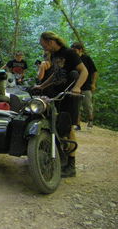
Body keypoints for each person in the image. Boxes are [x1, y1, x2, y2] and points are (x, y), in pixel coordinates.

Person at [36, 31, 88, 178]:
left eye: (43, 44)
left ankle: (71, 165)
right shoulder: (54, 55)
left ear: (51, 41)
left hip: (70, 96)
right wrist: (42, 86)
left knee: (68, 128)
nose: (43, 47)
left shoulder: (70, 53)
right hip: (58, 95)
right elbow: (56, 74)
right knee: (56, 125)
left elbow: (84, 71)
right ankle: (61, 158)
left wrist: (77, 87)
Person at [71, 42, 98, 129]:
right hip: (75, 86)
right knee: (76, 106)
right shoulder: (73, 59)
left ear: (80, 50)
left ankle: (90, 120)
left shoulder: (87, 58)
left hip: (86, 85)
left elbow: (94, 71)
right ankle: (78, 124)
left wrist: (93, 83)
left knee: (87, 105)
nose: (74, 52)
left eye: (75, 50)